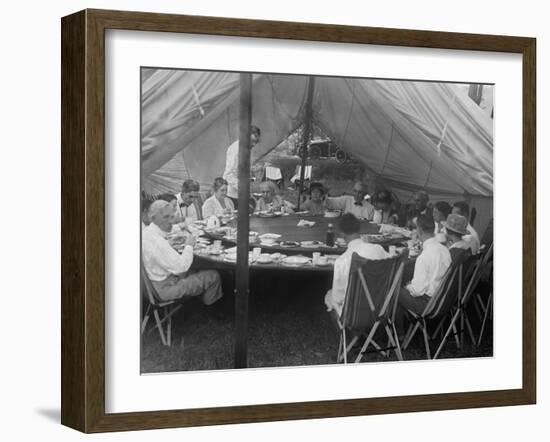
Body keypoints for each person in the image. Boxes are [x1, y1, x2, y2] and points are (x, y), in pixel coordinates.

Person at [142, 200, 223, 305]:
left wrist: (172, 240)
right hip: (165, 289)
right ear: (153, 218)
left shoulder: (147, 233)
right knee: (213, 275)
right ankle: (212, 310)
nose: (171, 221)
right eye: (166, 217)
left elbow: (164, 240)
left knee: (195, 269)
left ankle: (198, 302)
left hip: (152, 286)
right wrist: (189, 245)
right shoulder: (158, 242)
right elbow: (181, 267)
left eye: (172, 217)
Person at [395, 214, 452, 336]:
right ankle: (405, 326)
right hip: (443, 300)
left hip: (428, 304)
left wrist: (408, 286)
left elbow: (417, 291)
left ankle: (399, 333)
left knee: (394, 289)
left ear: (419, 231)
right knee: (405, 283)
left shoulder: (424, 256)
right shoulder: (445, 249)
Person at [324, 213, 389, 316]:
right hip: (381, 305)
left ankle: (346, 328)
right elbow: (392, 261)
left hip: (354, 313)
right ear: (359, 229)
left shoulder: (342, 261)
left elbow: (338, 298)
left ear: (342, 234)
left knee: (329, 295)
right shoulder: (378, 249)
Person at [222, 125, 261, 205]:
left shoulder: (248, 149)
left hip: (244, 193)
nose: (254, 144)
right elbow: (228, 174)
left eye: (256, 142)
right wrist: (242, 188)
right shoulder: (235, 150)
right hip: (233, 194)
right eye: (252, 141)